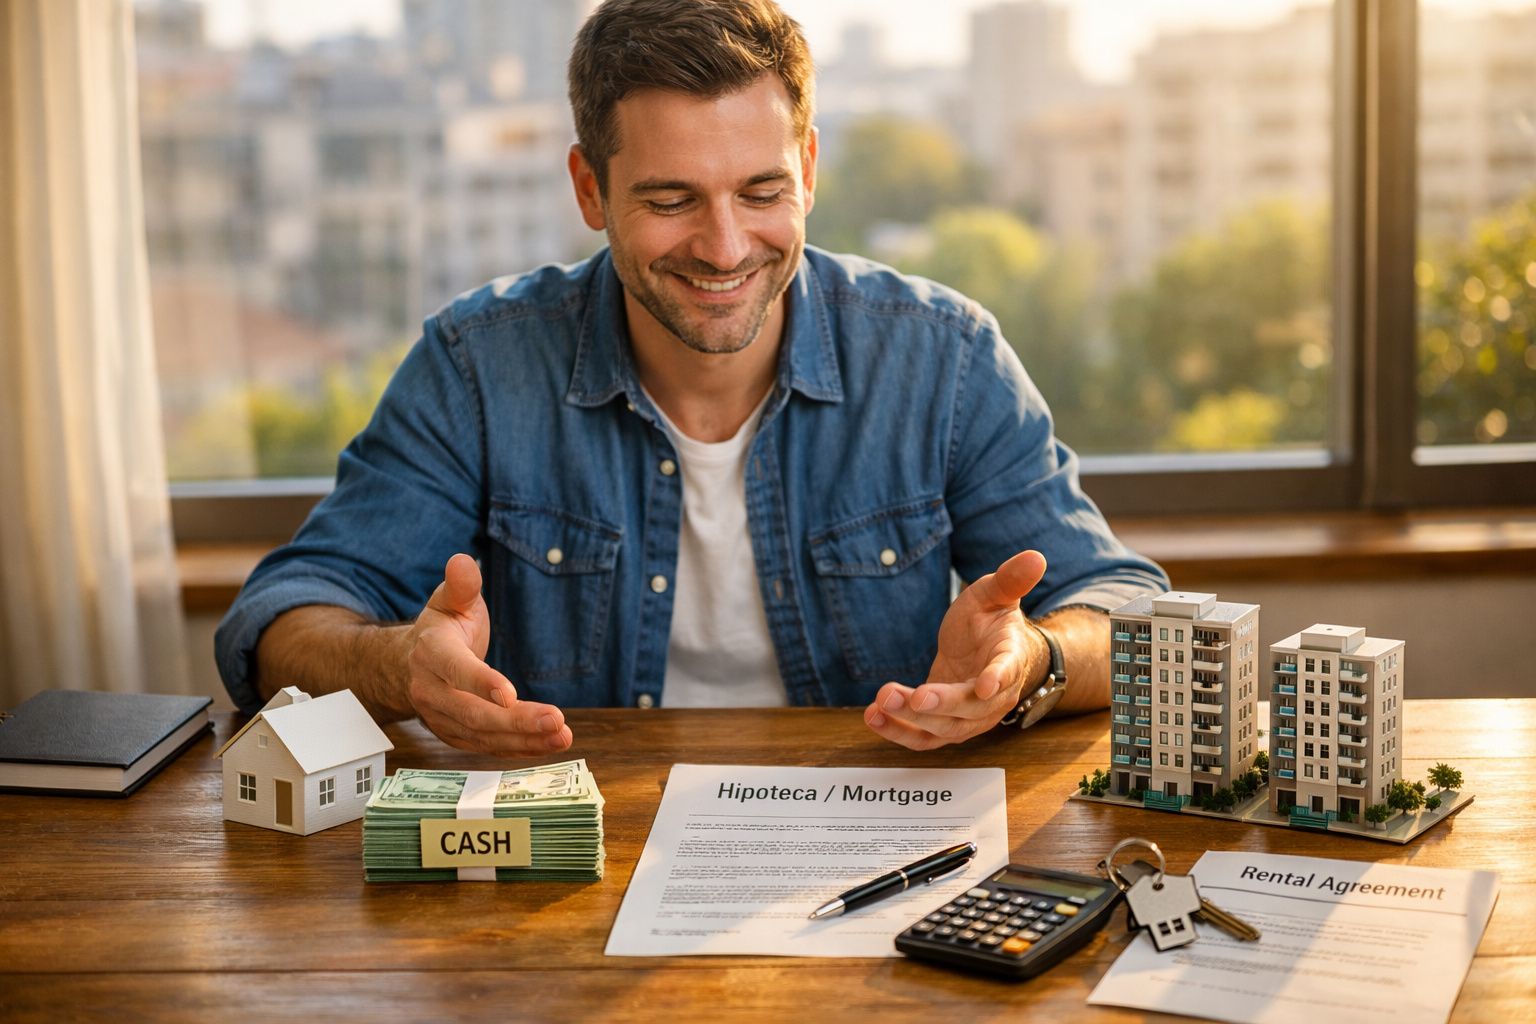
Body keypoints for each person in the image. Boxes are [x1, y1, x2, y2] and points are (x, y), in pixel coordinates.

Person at [215, 0, 1168, 756]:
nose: (724, 248)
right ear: (590, 189)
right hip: (576, 857)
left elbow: (1126, 608)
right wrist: (396, 668)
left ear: (808, 166)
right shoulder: (478, 363)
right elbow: (279, 620)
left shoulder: (942, 355)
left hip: (875, 838)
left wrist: (1030, 658)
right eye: (671, 200)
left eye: (761, 193)